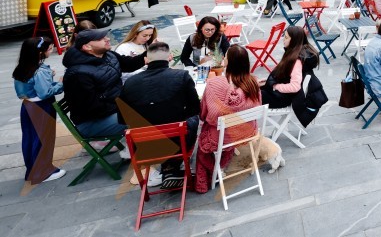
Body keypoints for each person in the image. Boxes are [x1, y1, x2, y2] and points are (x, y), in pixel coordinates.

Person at [118, 42, 199, 189]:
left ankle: (169, 169)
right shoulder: (182, 76)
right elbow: (195, 108)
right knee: (193, 119)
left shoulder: (130, 83)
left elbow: (122, 119)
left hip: (145, 145)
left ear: (146, 60)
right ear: (169, 57)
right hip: (177, 141)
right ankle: (171, 167)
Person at [195, 45, 262, 193]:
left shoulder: (214, 84)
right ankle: (222, 164)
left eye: (225, 56)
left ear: (228, 62)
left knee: (203, 141)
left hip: (224, 135)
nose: (223, 59)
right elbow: (257, 107)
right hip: (247, 131)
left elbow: (208, 116)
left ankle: (213, 172)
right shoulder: (253, 83)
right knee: (219, 127)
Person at [62, 29, 146, 144]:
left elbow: (129, 64)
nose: (107, 39)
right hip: (92, 123)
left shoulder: (107, 55)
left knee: (152, 103)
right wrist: (125, 104)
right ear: (87, 47)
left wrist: (150, 53)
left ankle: (141, 148)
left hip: (111, 111)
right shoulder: (78, 74)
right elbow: (91, 108)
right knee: (146, 115)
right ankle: (139, 151)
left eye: (105, 36)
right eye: (101, 39)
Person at [13, 37, 66, 184]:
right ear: (39, 53)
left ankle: (33, 170)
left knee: (30, 139)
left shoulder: (21, 68)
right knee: (44, 139)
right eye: (49, 49)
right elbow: (45, 92)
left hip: (27, 106)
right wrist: (60, 84)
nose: (52, 51)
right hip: (42, 107)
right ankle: (42, 172)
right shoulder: (40, 71)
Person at [260, 26, 318, 108]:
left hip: (281, 98)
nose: (283, 39)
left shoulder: (296, 60)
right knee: (249, 91)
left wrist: (275, 86)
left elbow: (295, 87)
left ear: (294, 40)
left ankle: (240, 119)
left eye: (286, 37)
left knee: (246, 96)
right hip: (281, 95)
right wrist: (269, 81)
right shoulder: (294, 53)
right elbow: (286, 76)